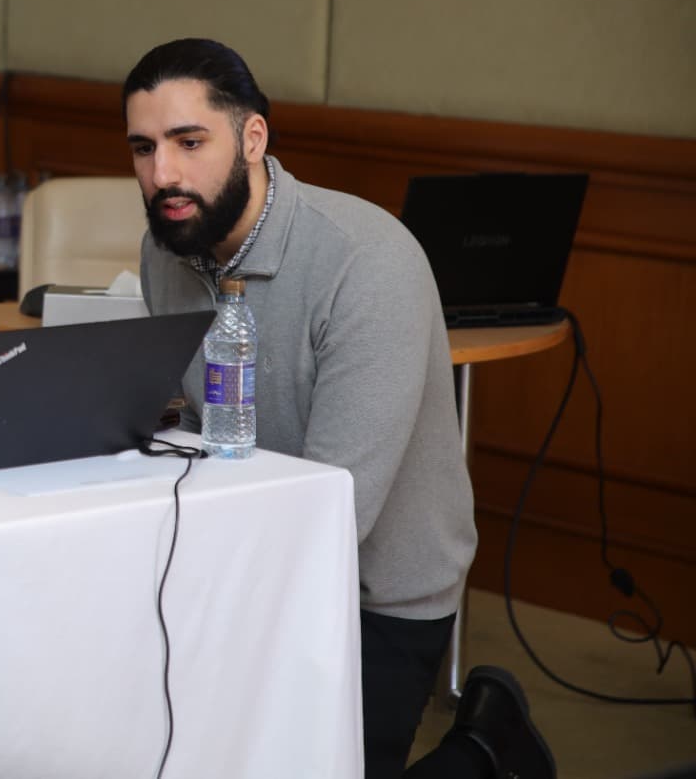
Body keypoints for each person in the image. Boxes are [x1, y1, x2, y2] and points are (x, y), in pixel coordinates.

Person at [123, 38, 553, 779]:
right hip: (246, 549)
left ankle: (486, 753)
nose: (163, 174)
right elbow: (201, 425)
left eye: (189, 142)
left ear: (252, 138)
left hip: (376, 591)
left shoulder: (365, 261)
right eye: (143, 148)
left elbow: (339, 509)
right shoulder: (168, 249)